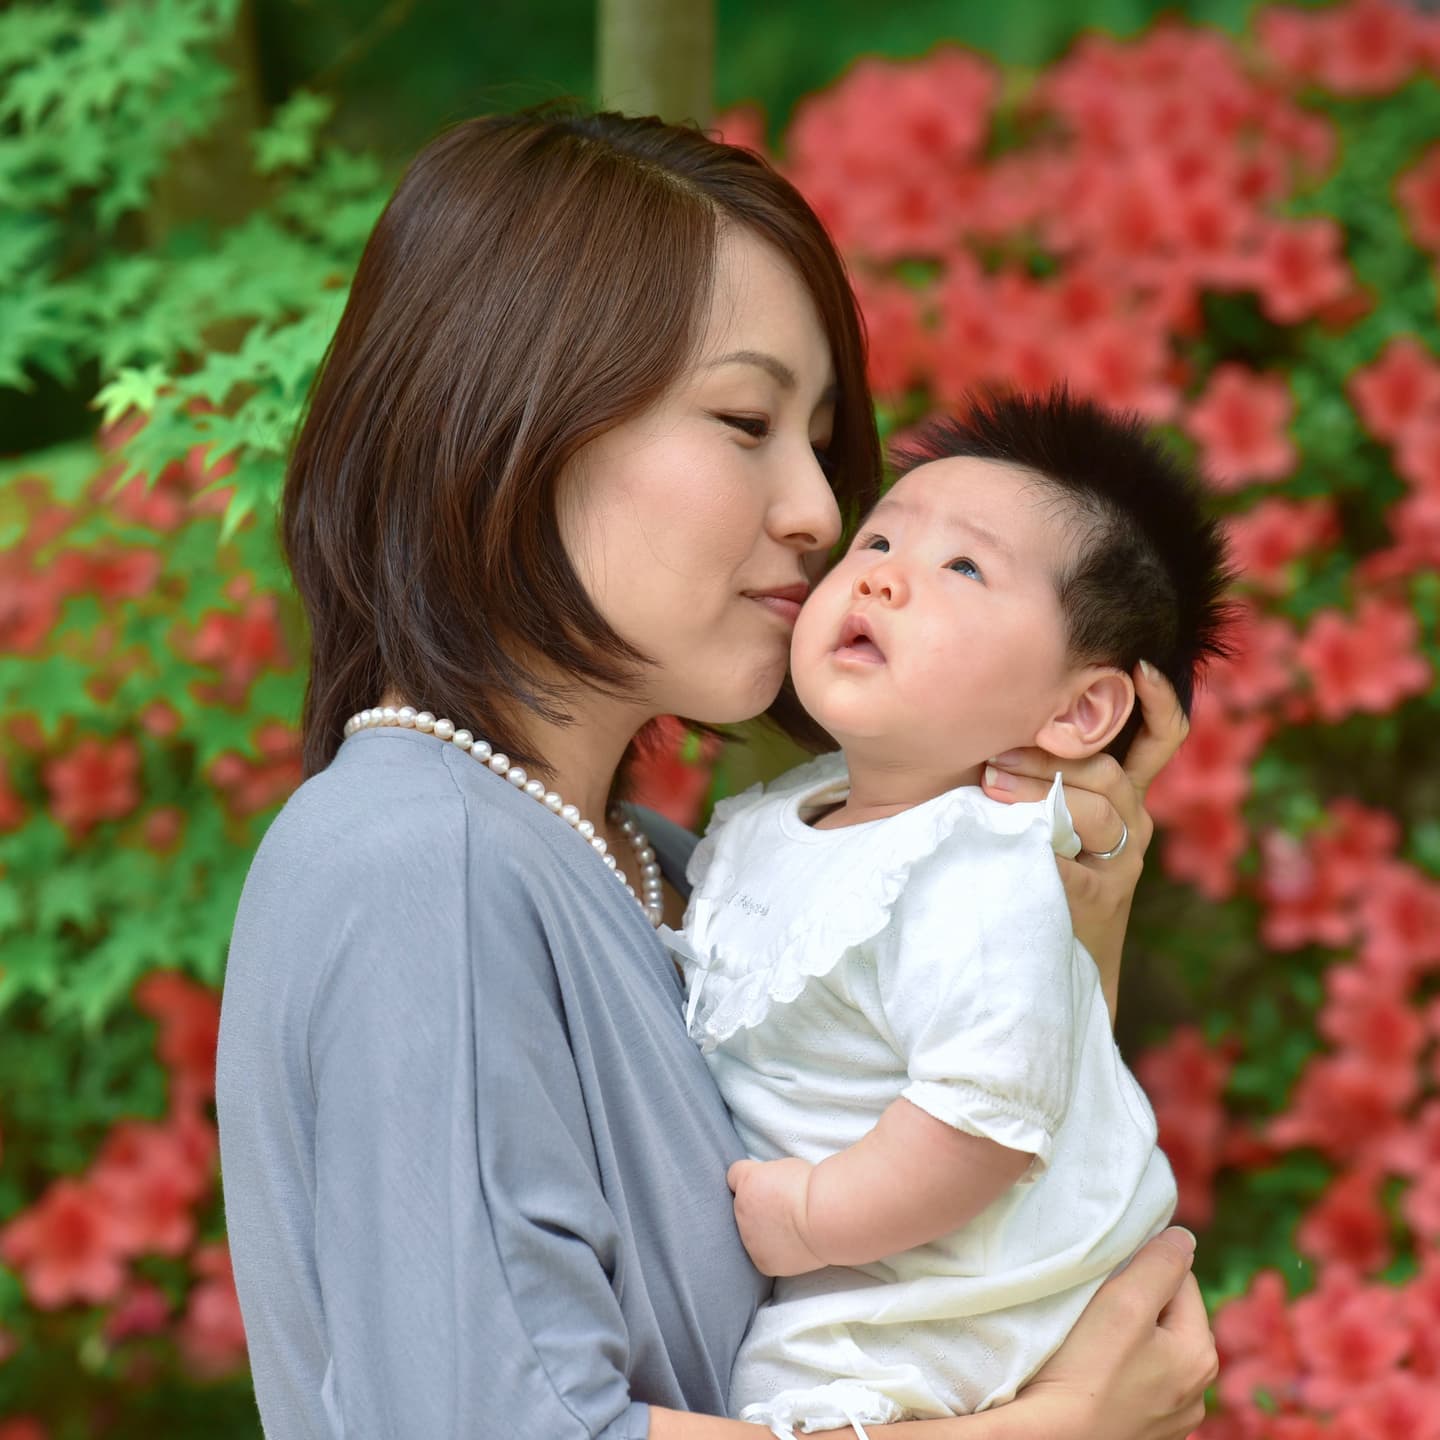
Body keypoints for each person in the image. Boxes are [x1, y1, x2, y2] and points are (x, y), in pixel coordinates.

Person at [215, 108, 1217, 1440]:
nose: (819, 512)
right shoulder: (425, 865)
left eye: (816, 439)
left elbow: (969, 1253)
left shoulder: (685, 872)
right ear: (517, 418)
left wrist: (1072, 884)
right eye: (745, 420)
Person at [666, 391, 1231, 1438]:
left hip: (962, 1298)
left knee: (799, 1401)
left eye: (963, 569)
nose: (880, 571)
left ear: (1078, 712)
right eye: (880, 539)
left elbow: (984, 1116)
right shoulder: (777, 819)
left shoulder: (976, 870)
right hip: (877, 1275)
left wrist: (814, 1215)